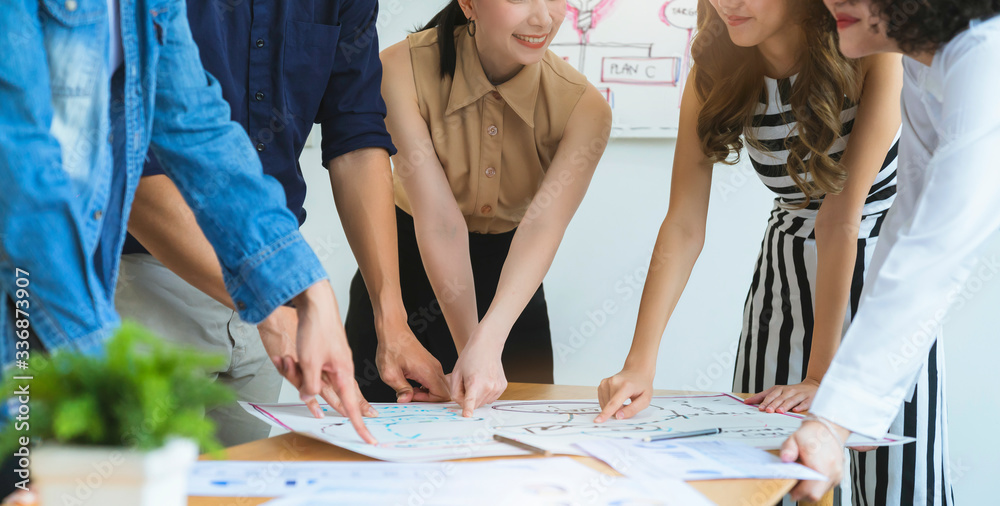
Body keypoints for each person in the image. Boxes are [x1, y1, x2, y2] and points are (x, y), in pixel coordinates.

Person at [0, 1, 375, 496]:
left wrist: (308, 289)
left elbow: (199, 131)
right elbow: (21, 175)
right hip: (30, 312)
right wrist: (103, 364)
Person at [595, 0, 951, 503]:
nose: (727, 4)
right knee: (770, 476)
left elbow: (841, 215)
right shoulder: (714, 68)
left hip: (882, 277)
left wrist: (821, 376)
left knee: (896, 483)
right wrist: (639, 363)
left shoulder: (874, 51)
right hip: (783, 274)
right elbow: (683, 224)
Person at [115, 0, 449, 447]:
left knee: (238, 493)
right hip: (146, 283)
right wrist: (269, 297)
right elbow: (134, 165)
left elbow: (356, 134)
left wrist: (392, 321)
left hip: (269, 299)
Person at [345, 0, 612, 415]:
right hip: (404, 274)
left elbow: (542, 228)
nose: (543, 18)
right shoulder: (398, 70)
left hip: (511, 287)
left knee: (516, 458)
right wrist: (472, 347)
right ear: (468, 3)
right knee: (374, 449)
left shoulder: (584, 108)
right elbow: (438, 220)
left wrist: (488, 343)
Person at [781, 0, 1000, 501]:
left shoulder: (986, 57)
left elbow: (936, 250)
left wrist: (832, 422)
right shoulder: (922, 65)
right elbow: (909, 218)